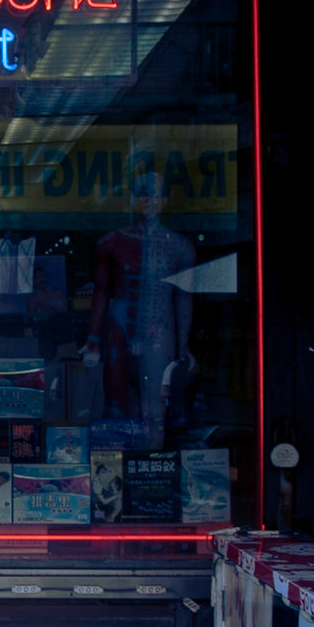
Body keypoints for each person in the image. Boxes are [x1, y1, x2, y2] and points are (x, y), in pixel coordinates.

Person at [82, 169, 194, 444]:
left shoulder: (180, 246)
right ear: (133, 199)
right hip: (119, 325)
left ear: (164, 201)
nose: (149, 201)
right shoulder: (112, 242)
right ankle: (118, 461)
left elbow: (184, 296)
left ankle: (152, 459)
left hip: (160, 326)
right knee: (116, 401)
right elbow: (101, 290)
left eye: (155, 195)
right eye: (143, 194)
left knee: (155, 406)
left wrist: (183, 343)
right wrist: (93, 338)